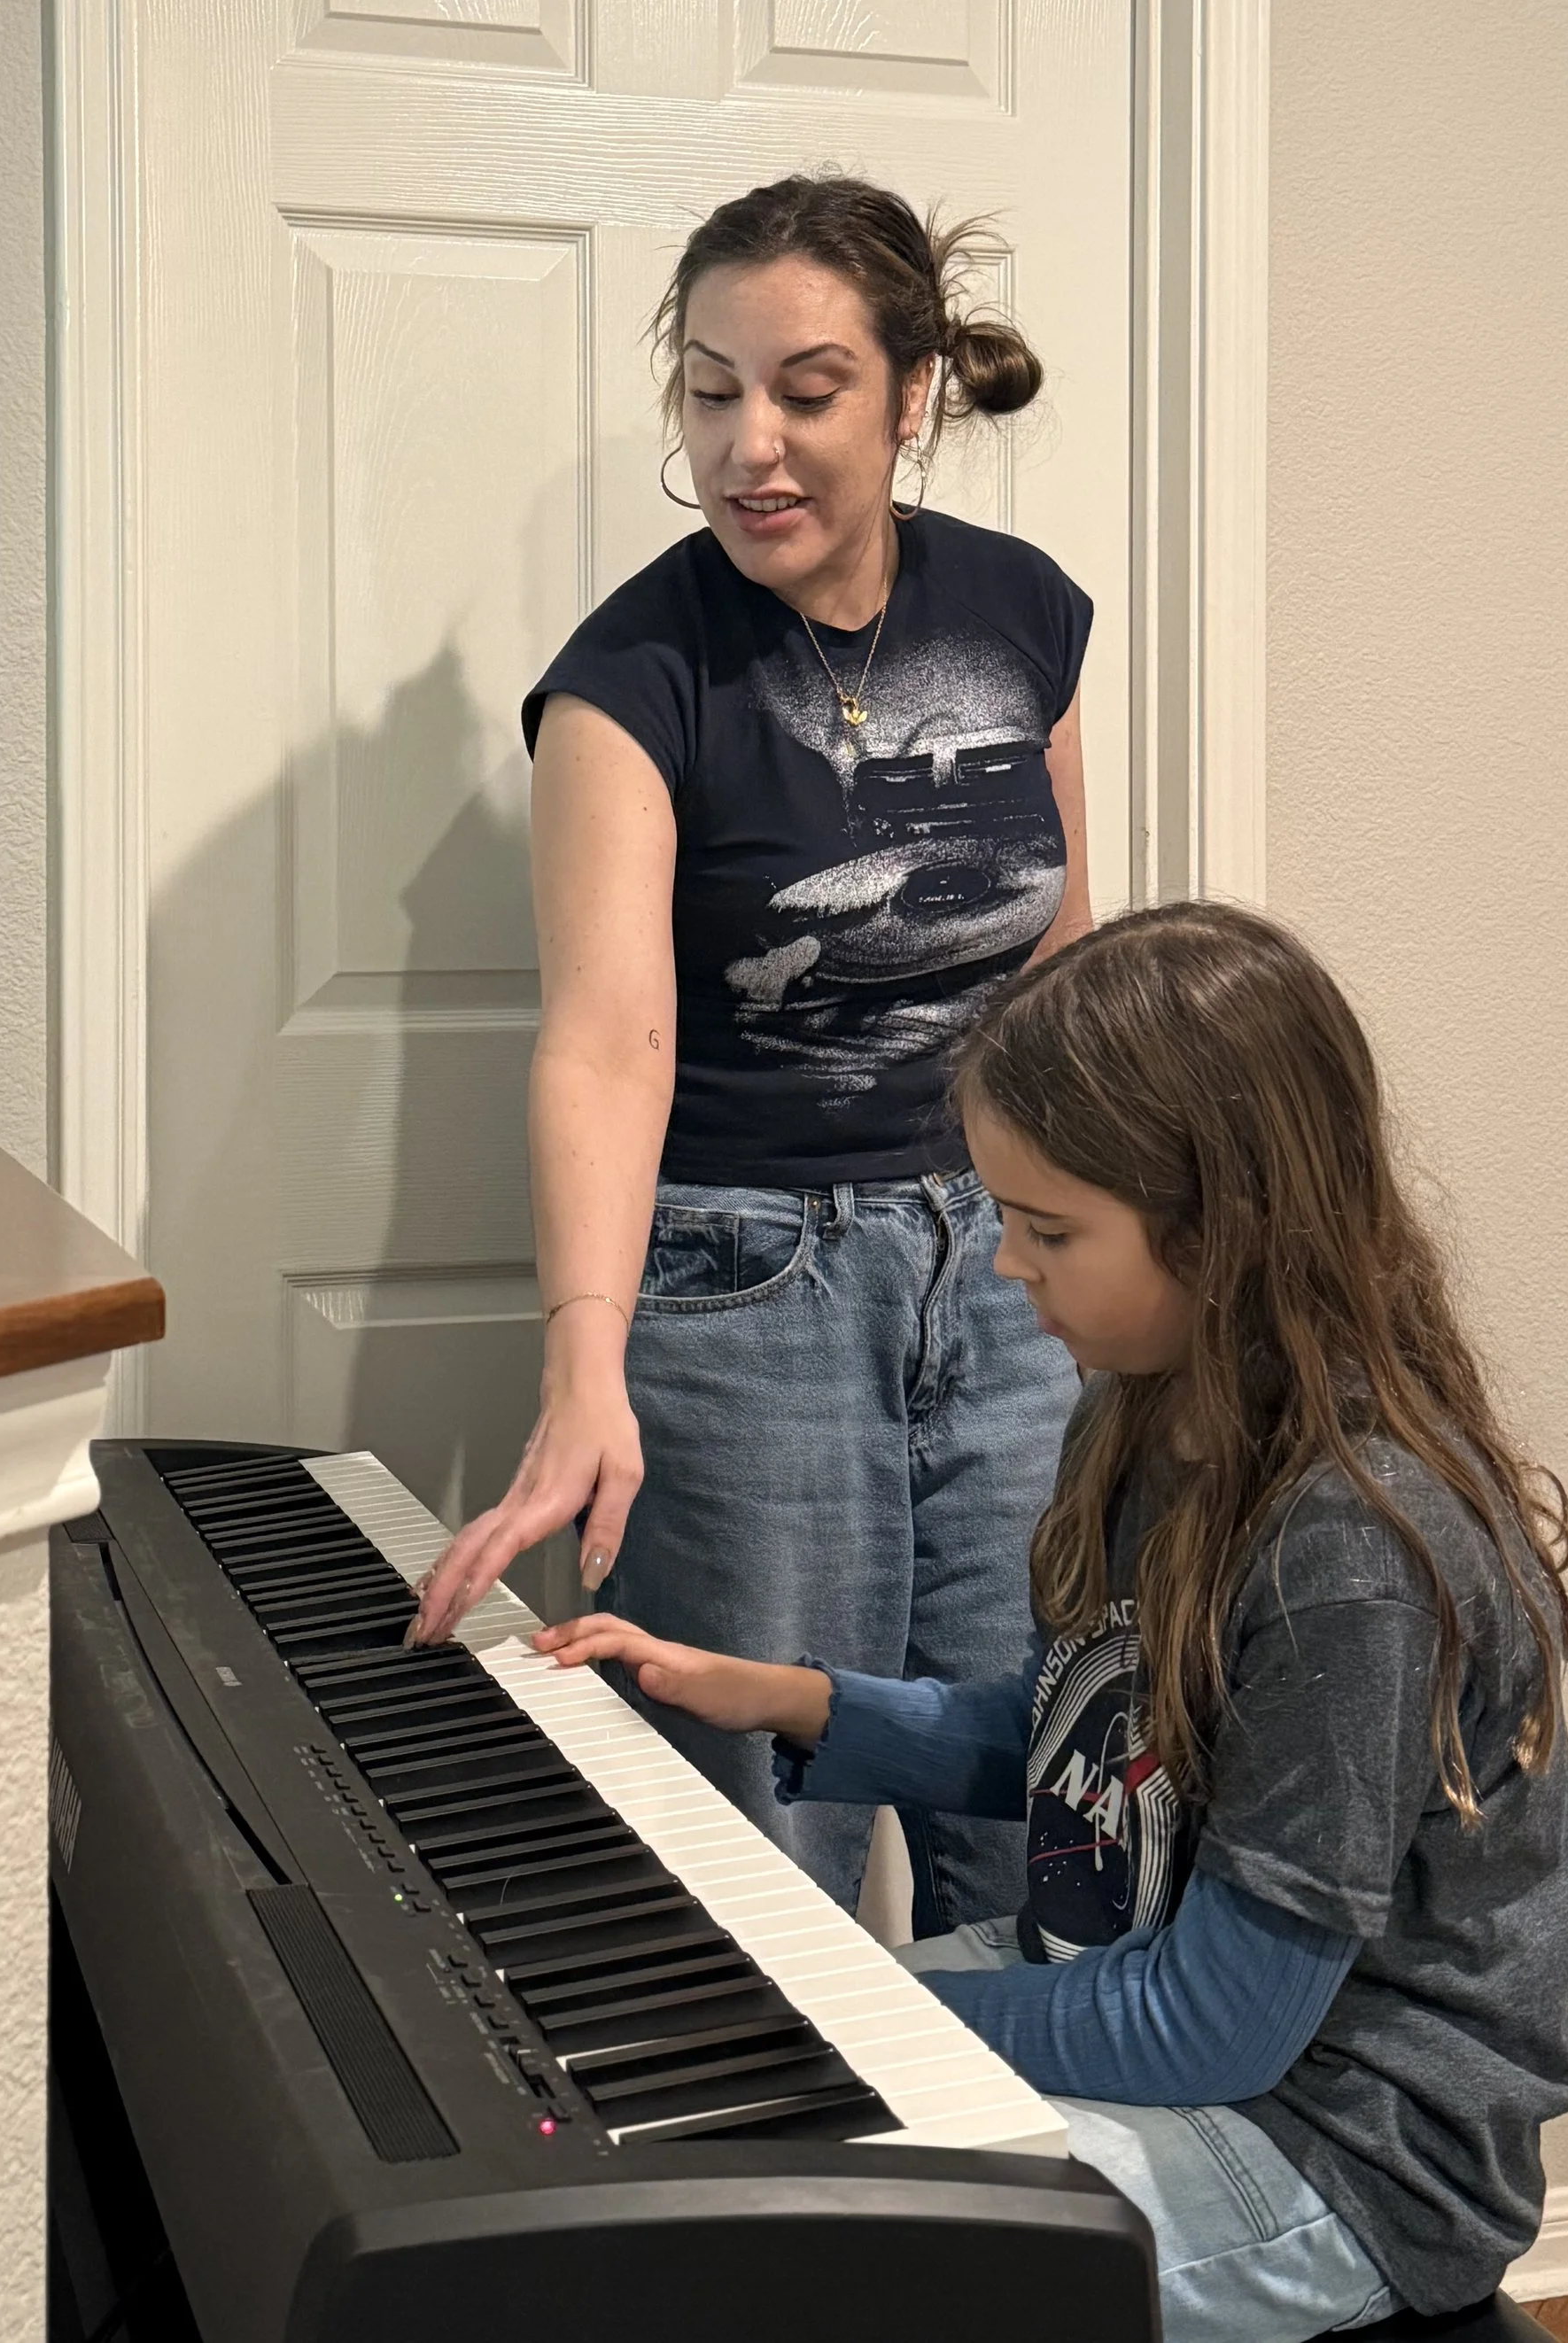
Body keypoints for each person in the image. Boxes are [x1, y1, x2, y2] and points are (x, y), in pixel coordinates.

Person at [532, 903, 1568, 2343]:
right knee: (697, 2129)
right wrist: (791, 1701)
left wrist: (853, 2015)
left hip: (1344, 2147)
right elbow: (1076, 1738)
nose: (1005, 1267)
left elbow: (1217, 2025)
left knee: (800, 2256)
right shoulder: (1146, 1415)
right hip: (1161, 2001)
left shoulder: (1348, 1556)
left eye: (1047, 1229)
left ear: (1222, 1229)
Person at [411, 175, 1095, 1931]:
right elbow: (606, 1040)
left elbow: (1060, 973)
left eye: (803, 390)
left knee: (1053, 1804)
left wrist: (1137, 1267)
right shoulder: (628, 677)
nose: (749, 445)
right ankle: (771, 2212)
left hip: (1012, 1276)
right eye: (710, 391)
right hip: (744, 1288)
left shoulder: (1021, 613)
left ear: (910, 391)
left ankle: (1040, 2204)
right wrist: (582, 1366)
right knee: (745, 1858)